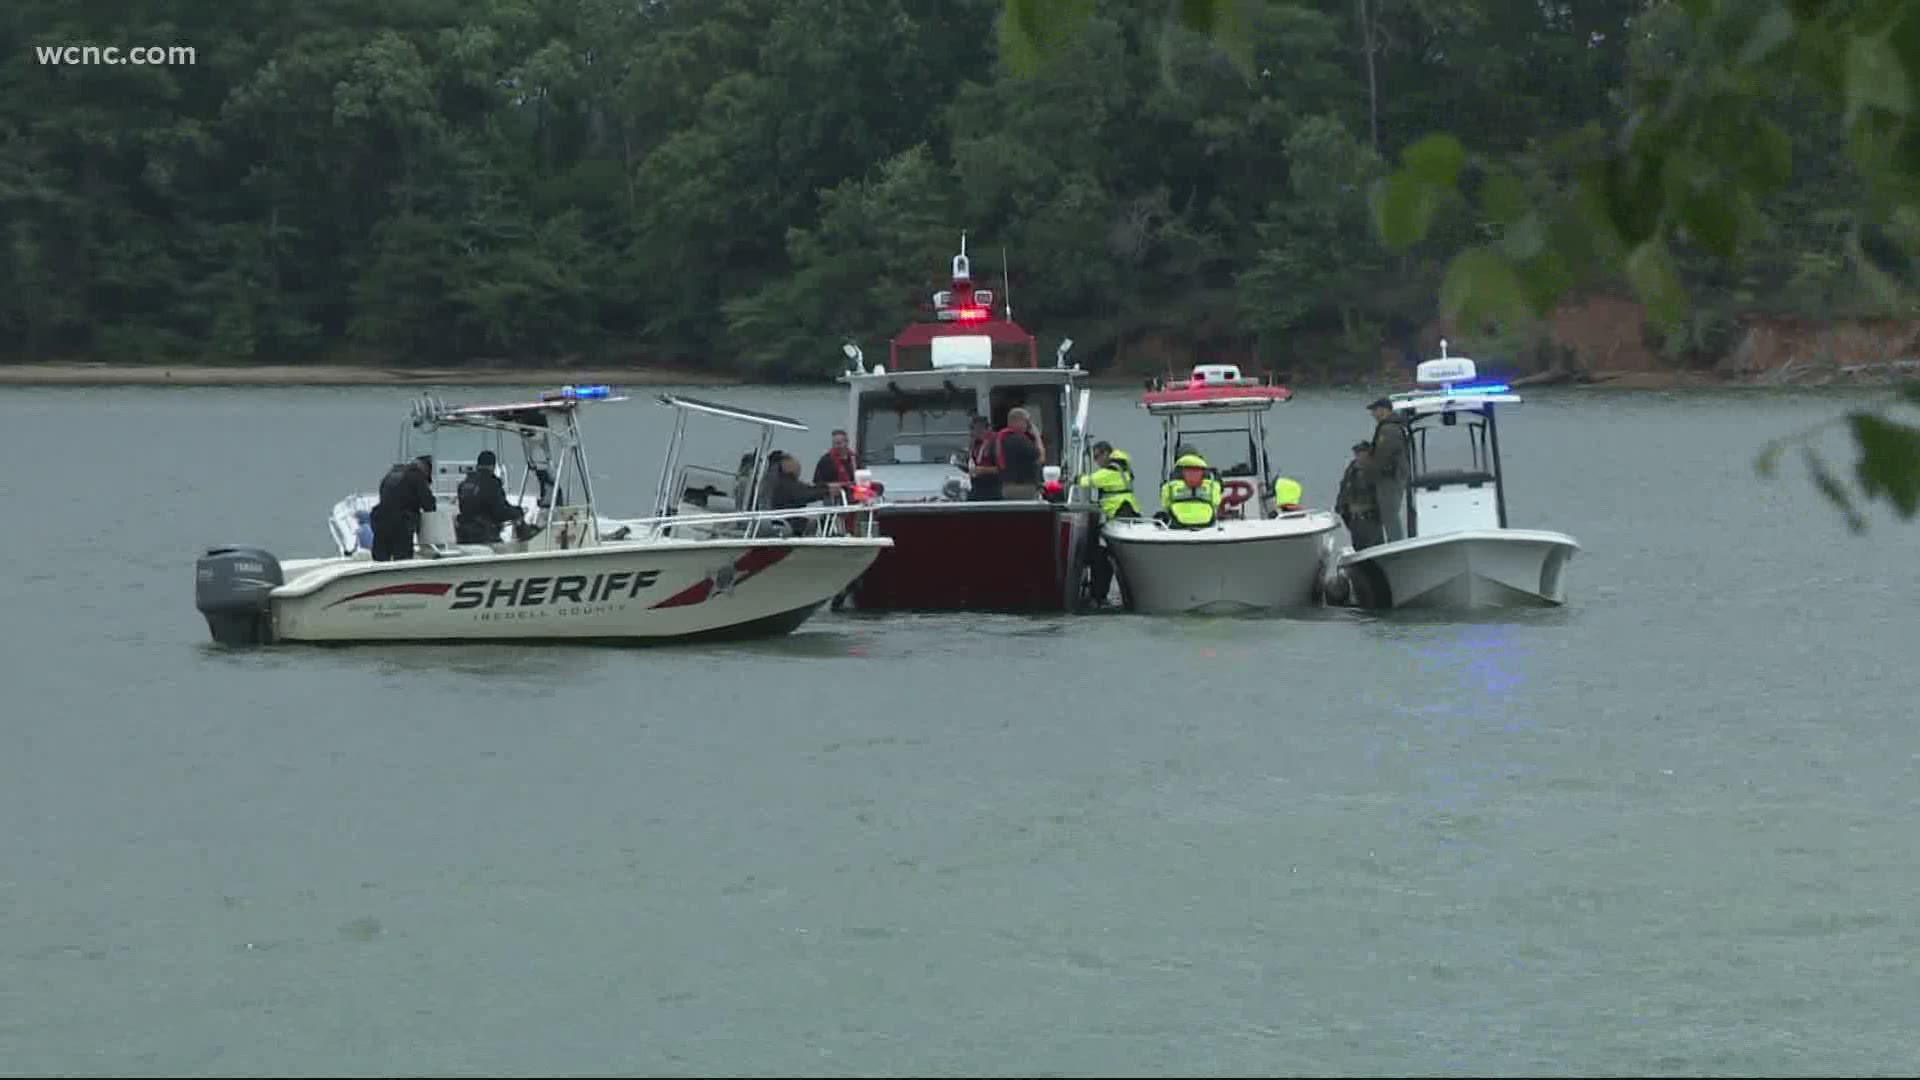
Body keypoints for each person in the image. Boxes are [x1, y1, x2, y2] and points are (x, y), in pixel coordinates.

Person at [1076, 441, 1142, 606]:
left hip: (1119, 514)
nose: (1096, 461)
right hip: (1126, 514)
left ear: (1106, 453)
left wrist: (1075, 477)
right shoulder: (1122, 468)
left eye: (1097, 456)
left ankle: (1098, 595)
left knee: (1101, 557)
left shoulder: (1112, 471)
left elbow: (1086, 481)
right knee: (1108, 558)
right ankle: (1102, 593)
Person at [369, 455, 435, 561]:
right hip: (401, 523)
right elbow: (429, 504)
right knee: (402, 560)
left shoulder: (390, 475)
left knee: (380, 560)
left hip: (381, 521)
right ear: (425, 468)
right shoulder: (416, 476)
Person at [1365, 397, 1412, 541]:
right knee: (1390, 514)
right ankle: (1396, 542)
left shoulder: (1388, 429)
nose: (1373, 414)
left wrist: (1370, 475)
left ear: (1384, 410)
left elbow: (1382, 457)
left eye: (1375, 410)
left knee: (1389, 514)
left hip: (1389, 478)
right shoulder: (1395, 426)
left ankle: (1396, 544)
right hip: (1395, 476)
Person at [454, 450, 525, 543]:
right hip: (484, 535)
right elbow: (500, 512)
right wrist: (517, 512)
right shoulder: (491, 483)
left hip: (463, 535)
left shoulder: (464, 484)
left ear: (478, 464)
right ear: (493, 466)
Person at [1335, 441, 1382, 549]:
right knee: (1359, 549)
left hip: (1371, 519)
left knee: (1375, 548)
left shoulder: (1374, 471)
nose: (1358, 456)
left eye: (1362, 452)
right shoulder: (1351, 470)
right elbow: (1344, 489)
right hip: (1355, 520)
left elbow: (1381, 494)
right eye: (1357, 453)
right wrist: (1340, 507)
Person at [1157, 452, 1221, 529]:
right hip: (1208, 526)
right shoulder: (1212, 483)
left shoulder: (1169, 483)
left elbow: (1165, 503)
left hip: (1176, 526)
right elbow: (1216, 501)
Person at [965, 415, 1001, 501]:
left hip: (992, 488)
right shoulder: (974, 444)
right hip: (976, 486)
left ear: (981, 429)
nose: (970, 433)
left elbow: (1002, 469)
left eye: (972, 429)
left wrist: (982, 470)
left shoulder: (995, 442)